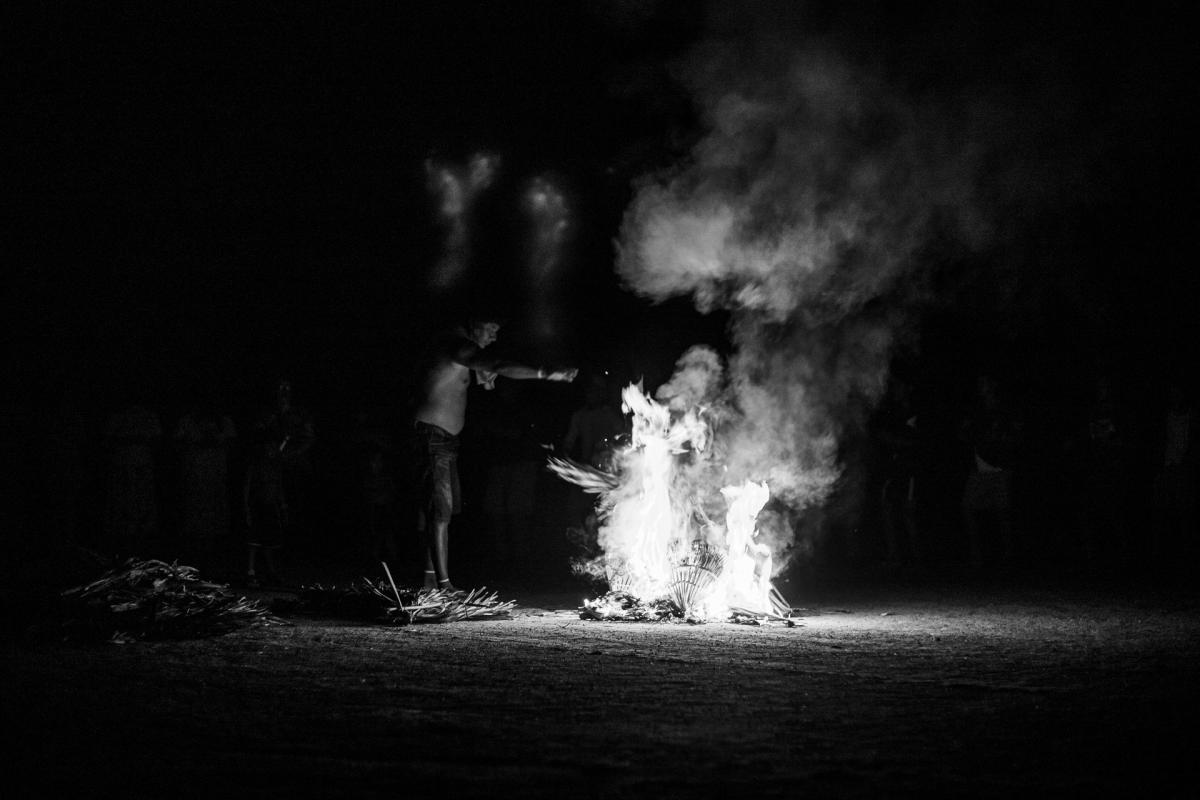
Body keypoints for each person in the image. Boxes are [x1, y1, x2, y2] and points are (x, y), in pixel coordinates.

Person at [408, 313, 576, 593]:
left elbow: (487, 369)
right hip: (432, 438)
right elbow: (496, 363)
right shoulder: (456, 345)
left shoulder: (460, 349)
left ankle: (429, 581)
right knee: (439, 513)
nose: (494, 336)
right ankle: (443, 584)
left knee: (440, 511)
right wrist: (545, 372)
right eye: (492, 329)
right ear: (475, 322)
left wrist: (485, 377)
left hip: (446, 441)